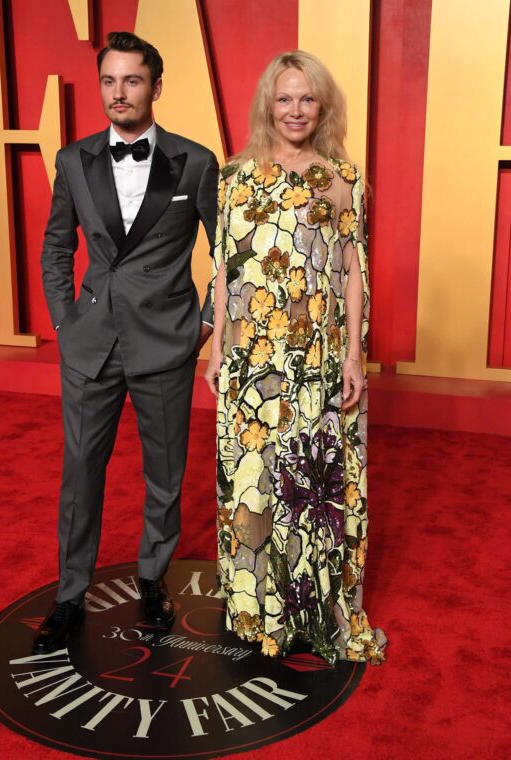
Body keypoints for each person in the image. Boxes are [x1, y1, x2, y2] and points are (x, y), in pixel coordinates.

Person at [33, 31, 217, 654]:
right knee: (80, 472)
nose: (118, 93)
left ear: (155, 87)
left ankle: (152, 578)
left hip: (166, 343)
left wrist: (207, 325)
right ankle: (69, 593)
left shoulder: (196, 162)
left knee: (165, 477)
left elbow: (233, 257)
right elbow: (56, 247)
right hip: (89, 347)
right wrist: (64, 321)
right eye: (109, 81)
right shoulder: (72, 160)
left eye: (131, 81)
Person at [205, 51, 386, 664]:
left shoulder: (341, 176)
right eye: (284, 98)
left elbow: (353, 271)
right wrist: (216, 344)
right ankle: (258, 608)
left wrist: (355, 355)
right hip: (251, 358)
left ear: (322, 106)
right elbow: (224, 268)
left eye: (306, 98)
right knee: (253, 482)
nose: (295, 110)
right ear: (267, 104)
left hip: (315, 357)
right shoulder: (233, 177)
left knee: (307, 482)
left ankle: (312, 605)